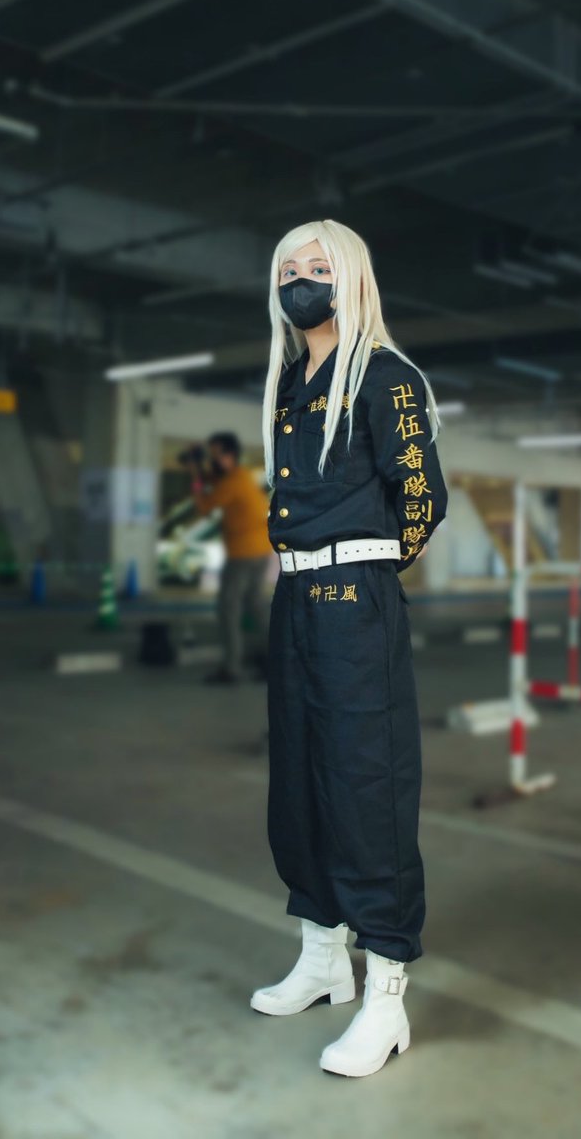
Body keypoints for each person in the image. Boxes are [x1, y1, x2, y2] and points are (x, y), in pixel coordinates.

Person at [250, 220, 448, 1077]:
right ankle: (323, 958)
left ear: (352, 277)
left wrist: (364, 569)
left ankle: (386, 993)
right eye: (287, 269)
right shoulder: (292, 380)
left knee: (367, 785)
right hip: (295, 598)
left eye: (317, 266)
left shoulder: (385, 375)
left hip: (352, 600)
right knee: (299, 780)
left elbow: (422, 500)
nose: (300, 280)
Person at [189, 432, 272, 684]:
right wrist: (201, 470)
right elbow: (214, 480)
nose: (212, 460)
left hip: (243, 554)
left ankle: (232, 668)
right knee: (256, 606)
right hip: (259, 550)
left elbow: (204, 506)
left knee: (228, 609)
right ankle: (275, 661)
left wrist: (194, 477)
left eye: (216, 455)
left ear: (230, 455)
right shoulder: (240, 476)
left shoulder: (234, 481)